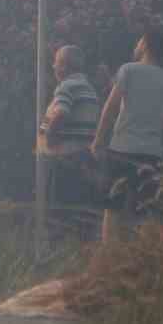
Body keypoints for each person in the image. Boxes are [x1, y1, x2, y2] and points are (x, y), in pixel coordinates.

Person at [91, 32, 163, 241]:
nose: (136, 44)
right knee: (146, 208)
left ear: (145, 45)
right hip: (152, 152)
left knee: (113, 206)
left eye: (138, 40)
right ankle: (141, 257)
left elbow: (110, 109)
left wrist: (98, 141)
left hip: (122, 148)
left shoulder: (128, 69)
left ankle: (108, 255)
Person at [38, 44, 103, 214]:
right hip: (82, 157)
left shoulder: (67, 86)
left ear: (64, 67)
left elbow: (61, 113)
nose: (53, 67)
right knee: (76, 212)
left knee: (59, 211)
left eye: (56, 63)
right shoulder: (89, 88)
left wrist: (49, 140)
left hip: (65, 159)